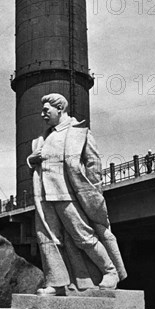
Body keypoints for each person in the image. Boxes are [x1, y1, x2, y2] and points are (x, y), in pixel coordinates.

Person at [27, 93, 127, 296]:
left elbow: (93, 163)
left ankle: (110, 271)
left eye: (46, 110)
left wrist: (92, 192)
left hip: (69, 195)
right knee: (48, 239)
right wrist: (32, 159)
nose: (42, 114)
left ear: (60, 109)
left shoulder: (78, 132)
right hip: (45, 196)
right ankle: (55, 283)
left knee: (83, 237)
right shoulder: (41, 139)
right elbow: (35, 164)